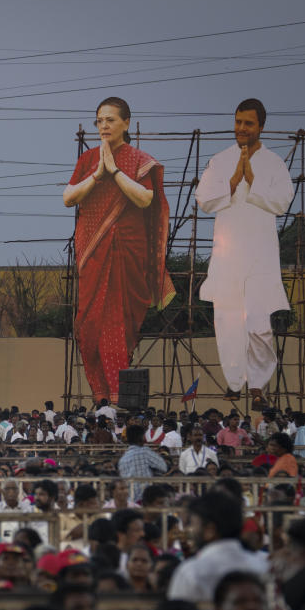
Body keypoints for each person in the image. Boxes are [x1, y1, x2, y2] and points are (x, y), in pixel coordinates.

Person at [62, 97, 175, 404]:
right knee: (87, 327)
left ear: (126, 123)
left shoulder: (140, 160)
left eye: (110, 120)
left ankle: (116, 397)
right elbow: (68, 197)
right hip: (92, 250)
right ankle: (101, 395)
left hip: (127, 251)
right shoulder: (88, 160)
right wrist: (98, 174)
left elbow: (145, 199)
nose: (104, 126)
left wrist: (115, 172)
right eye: (99, 120)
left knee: (116, 325)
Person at [195, 99, 294, 410]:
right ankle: (235, 381)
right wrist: (234, 180)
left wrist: (252, 178)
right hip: (228, 255)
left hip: (261, 256)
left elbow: (282, 203)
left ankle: (258, 385)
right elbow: (204, 200)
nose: (241, 128)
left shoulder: (275, 163)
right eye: (238, 122)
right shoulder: (220, 160)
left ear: (261, 127)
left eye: (248, 123)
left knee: (258, 325)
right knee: (227, 322)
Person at [167, 492, 265, 604]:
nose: (190, 530)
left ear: (210, 531)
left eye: (193, 524)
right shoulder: (263, 564)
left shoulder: (191, 572)